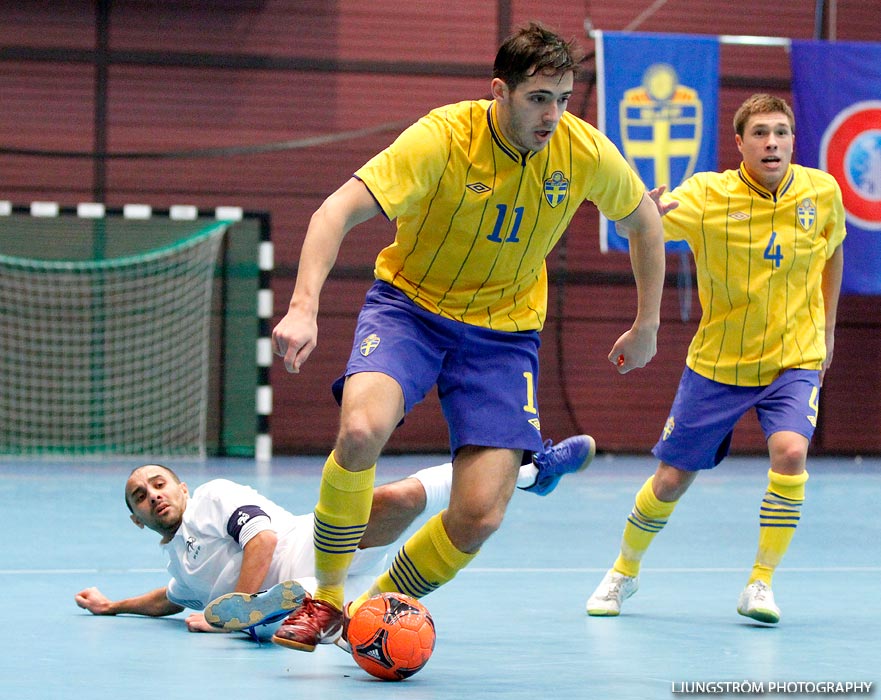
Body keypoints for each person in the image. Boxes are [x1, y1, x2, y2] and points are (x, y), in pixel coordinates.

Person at [262, 21, 665, 652]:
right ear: (500, 92)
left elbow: (645, 223)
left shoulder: (584, 151)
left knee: (479, 515)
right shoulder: (443, 138)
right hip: (410, 310)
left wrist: (647, 325)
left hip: (503, 337)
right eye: (538, 99)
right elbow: (334, 210)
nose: (554, 115)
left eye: (563, 98)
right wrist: (303, 308)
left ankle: (371, 611)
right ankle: (325, 598)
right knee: (361, 430)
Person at [585, 94, 846, 624]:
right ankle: (623, 572)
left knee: (791, 452)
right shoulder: (707, 195)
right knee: (671, 480)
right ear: (740, 143)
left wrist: (829, 329)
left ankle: (761, 584)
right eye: (759, 133)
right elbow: (642, 227)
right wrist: (643, 216)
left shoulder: (823, 192)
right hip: (719, 364)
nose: (771, 142)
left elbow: (834, 250)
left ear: (794, 139)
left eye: (781, 132)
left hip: (793, 359)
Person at [74, 444, 589, 639]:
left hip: (314, 546)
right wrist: (113, 605)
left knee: (396, 499)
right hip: (305, 591)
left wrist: (235, 607)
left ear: (181, 487)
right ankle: (315, 613)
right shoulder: (180, 565)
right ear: (138, 521)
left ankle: (527, 470)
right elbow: (169, 598)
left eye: (159, 484)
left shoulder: (211, 497)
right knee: (297, 616)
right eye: (140, 497)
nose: (153, 496)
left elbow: (262, 538)